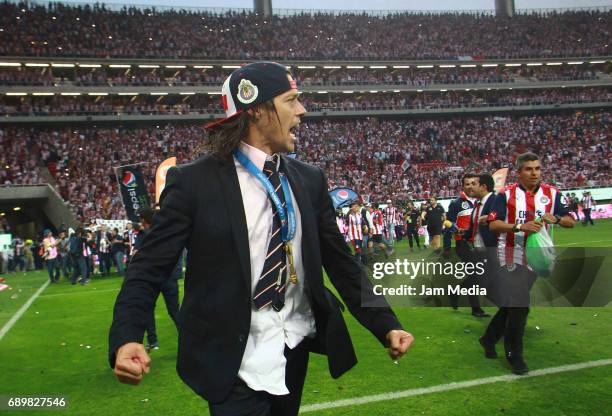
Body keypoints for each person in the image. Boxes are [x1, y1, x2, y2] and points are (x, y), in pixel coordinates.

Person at [109, 62, 413, 416]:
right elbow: (148, 266)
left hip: (293, 344)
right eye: (291, 100)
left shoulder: (310, 180)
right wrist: (127, 336)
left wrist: (386, 323)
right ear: (256, 109)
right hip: (233, 358)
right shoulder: (193, 183)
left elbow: (341, 262)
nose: (302, 110)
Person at [482, 153, 575, 375]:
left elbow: (571, 220)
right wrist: (518, 227)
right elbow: (493, 225)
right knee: (520, 305)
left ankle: (488, 339)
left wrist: (559, 219)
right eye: (529, 169)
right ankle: (515, 355)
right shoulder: (505, 195)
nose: (534, 173)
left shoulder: (553, 194)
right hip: (510, 254)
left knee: (513, 306)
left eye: (537, 168)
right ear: (519, 172)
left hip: (537, 257)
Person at [134, 206, 180, 351]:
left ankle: (153, 341)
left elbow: (137, 254)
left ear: (143, 219)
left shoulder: (144, 234)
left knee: (149, 309)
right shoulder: (165, 231)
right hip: (168, 276)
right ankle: (188, 340)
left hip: (153, 277)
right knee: (174, 311)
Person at [446, 173, 488, 317]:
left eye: (473, 183)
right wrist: (457, 229)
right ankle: (476, 309)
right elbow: (447, 222)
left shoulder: (481, 202)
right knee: (475, 274)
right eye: (467, 183)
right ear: (463, 186)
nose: (470, 186)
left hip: (479, 243)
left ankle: (455, 293)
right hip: (463, 244)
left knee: (478, 275)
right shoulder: (456, 203)